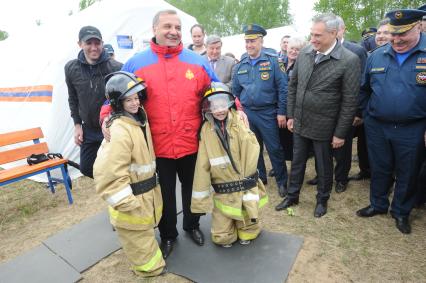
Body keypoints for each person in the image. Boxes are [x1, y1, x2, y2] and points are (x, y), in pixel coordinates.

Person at [100, 10, 220, 259]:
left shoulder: (197, 62)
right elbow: (115, 94)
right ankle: (168, 235)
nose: (174, 32)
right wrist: (105, 117)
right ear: (154, 29)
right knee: (163, 193)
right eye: (167, 26)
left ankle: (192, 225)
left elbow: (216, 88)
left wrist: (236, 109)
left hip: (191, 142)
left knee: (193, 189)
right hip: (156, 146)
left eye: (177, 27)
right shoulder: (136, 62)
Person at [275, 13, 360, 217]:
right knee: (297, 162)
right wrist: (291, 115)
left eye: (318, 35)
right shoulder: (305, 53)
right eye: (311, 34)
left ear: (333, 34)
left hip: (325, 125)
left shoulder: (349, 60)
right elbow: (293, 86)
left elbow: (350, 101)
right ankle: (292, 196)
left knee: (323, 166)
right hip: (301, 121)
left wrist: (340, 133)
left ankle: (322, 200)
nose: (312, 39)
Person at [356, 8, 426, 234]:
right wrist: (368, 115)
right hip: (377, 125)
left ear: (418, 27)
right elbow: (364, 90)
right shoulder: (377, 55)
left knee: (407, 171)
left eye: (402, 34)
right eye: (393, 34)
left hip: (413, 127)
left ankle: (401, 212)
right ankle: (378, 204)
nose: (396, 40)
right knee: (380, 167)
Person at [93, 71, 166, 277]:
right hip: (132, 201)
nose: (135, 103)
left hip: (144, 195)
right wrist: (126, 202)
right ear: (117, 103)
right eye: (128, 100)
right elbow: (107, 173)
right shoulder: (119, 129)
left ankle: (151, 264)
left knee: (144, 235)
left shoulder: (138, 121)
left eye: (136, 98)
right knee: (139, 241)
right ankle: (150, 270)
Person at [191, 82, 268, 248]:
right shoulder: (206, 130)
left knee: (249, 226)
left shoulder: (239, 122)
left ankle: (247, 228)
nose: (219, 110)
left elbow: (252, 150)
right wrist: (200, 200)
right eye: (214, 106)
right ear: (208, 108)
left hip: (244, 186)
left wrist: (248, 179)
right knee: (222, 237)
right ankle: (227, 231)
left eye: (223, 105)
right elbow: (202, 163)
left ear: (230, 104)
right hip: (223, 189)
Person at [232, 24, 289, 198]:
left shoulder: (273, 60)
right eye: (247, 41)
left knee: (274, 148)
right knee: (253, 148)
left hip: (268, 112)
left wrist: (281, 112)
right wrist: (239, 111)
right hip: (248, 113)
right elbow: (235, 91)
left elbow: (283, 88)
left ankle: (282, 182)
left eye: (253, 41)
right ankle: (261, 178)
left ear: (261, 41)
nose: (249, 45)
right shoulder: (240, 64)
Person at [65, 26, 122, 178]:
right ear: (80, 44)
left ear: (102, 43)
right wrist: (77, 125)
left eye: (97, 43)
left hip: (111, 127)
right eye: (89, 43)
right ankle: (114, 188)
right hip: (88, 129)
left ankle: (121, 193)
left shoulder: (116, 67)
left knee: (118, 166)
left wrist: (111, 119)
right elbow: (73, 98)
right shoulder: (71, 68)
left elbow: (122, 100)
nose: (94, 47)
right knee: (87, 168)